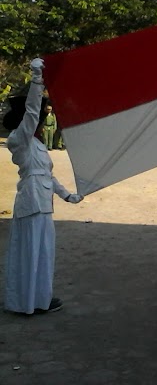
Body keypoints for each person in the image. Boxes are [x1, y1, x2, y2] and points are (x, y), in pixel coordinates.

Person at [2, 58, 84, 315]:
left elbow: (48, 176)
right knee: (30, 253)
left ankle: (39, 299)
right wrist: (37, 79)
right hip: (30, 201)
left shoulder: (36, 144)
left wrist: (67, 195)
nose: (37, 121)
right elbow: (32, 112)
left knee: (43, 254)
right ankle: (26, 301)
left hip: (42, 202)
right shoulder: (19, 139)